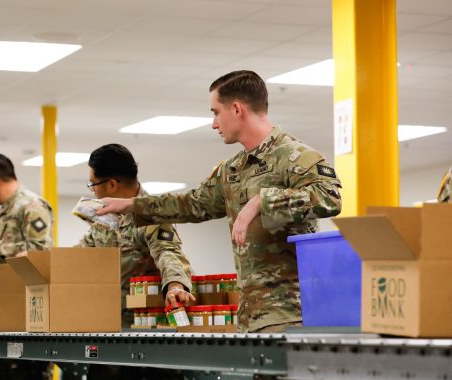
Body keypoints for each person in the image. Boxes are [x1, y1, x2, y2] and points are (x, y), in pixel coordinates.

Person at [98, 70, 342, 335]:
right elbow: (192, 203)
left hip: (291, 314)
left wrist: (262, 201)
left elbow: (330, 197)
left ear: (236, 109)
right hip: (250, 316)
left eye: (215, 112)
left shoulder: (294, 156)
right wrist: (133, 205)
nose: (214, 124)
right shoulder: (233, 169)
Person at [78, 144, 193, 380]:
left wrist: (175, 285)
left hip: (145, 337)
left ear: (111, 184)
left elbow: (168, 252)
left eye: (93, 184)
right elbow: (81, 254)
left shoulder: (150, 212)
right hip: (107, 331)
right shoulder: (104, 216)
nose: (92, 191)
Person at [0, 153, 53, 380]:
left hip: (28, 312)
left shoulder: (31, 206)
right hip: (5, 309)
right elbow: (7, 256)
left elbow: (41, 253)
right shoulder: (3, 211)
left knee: (25, 377)